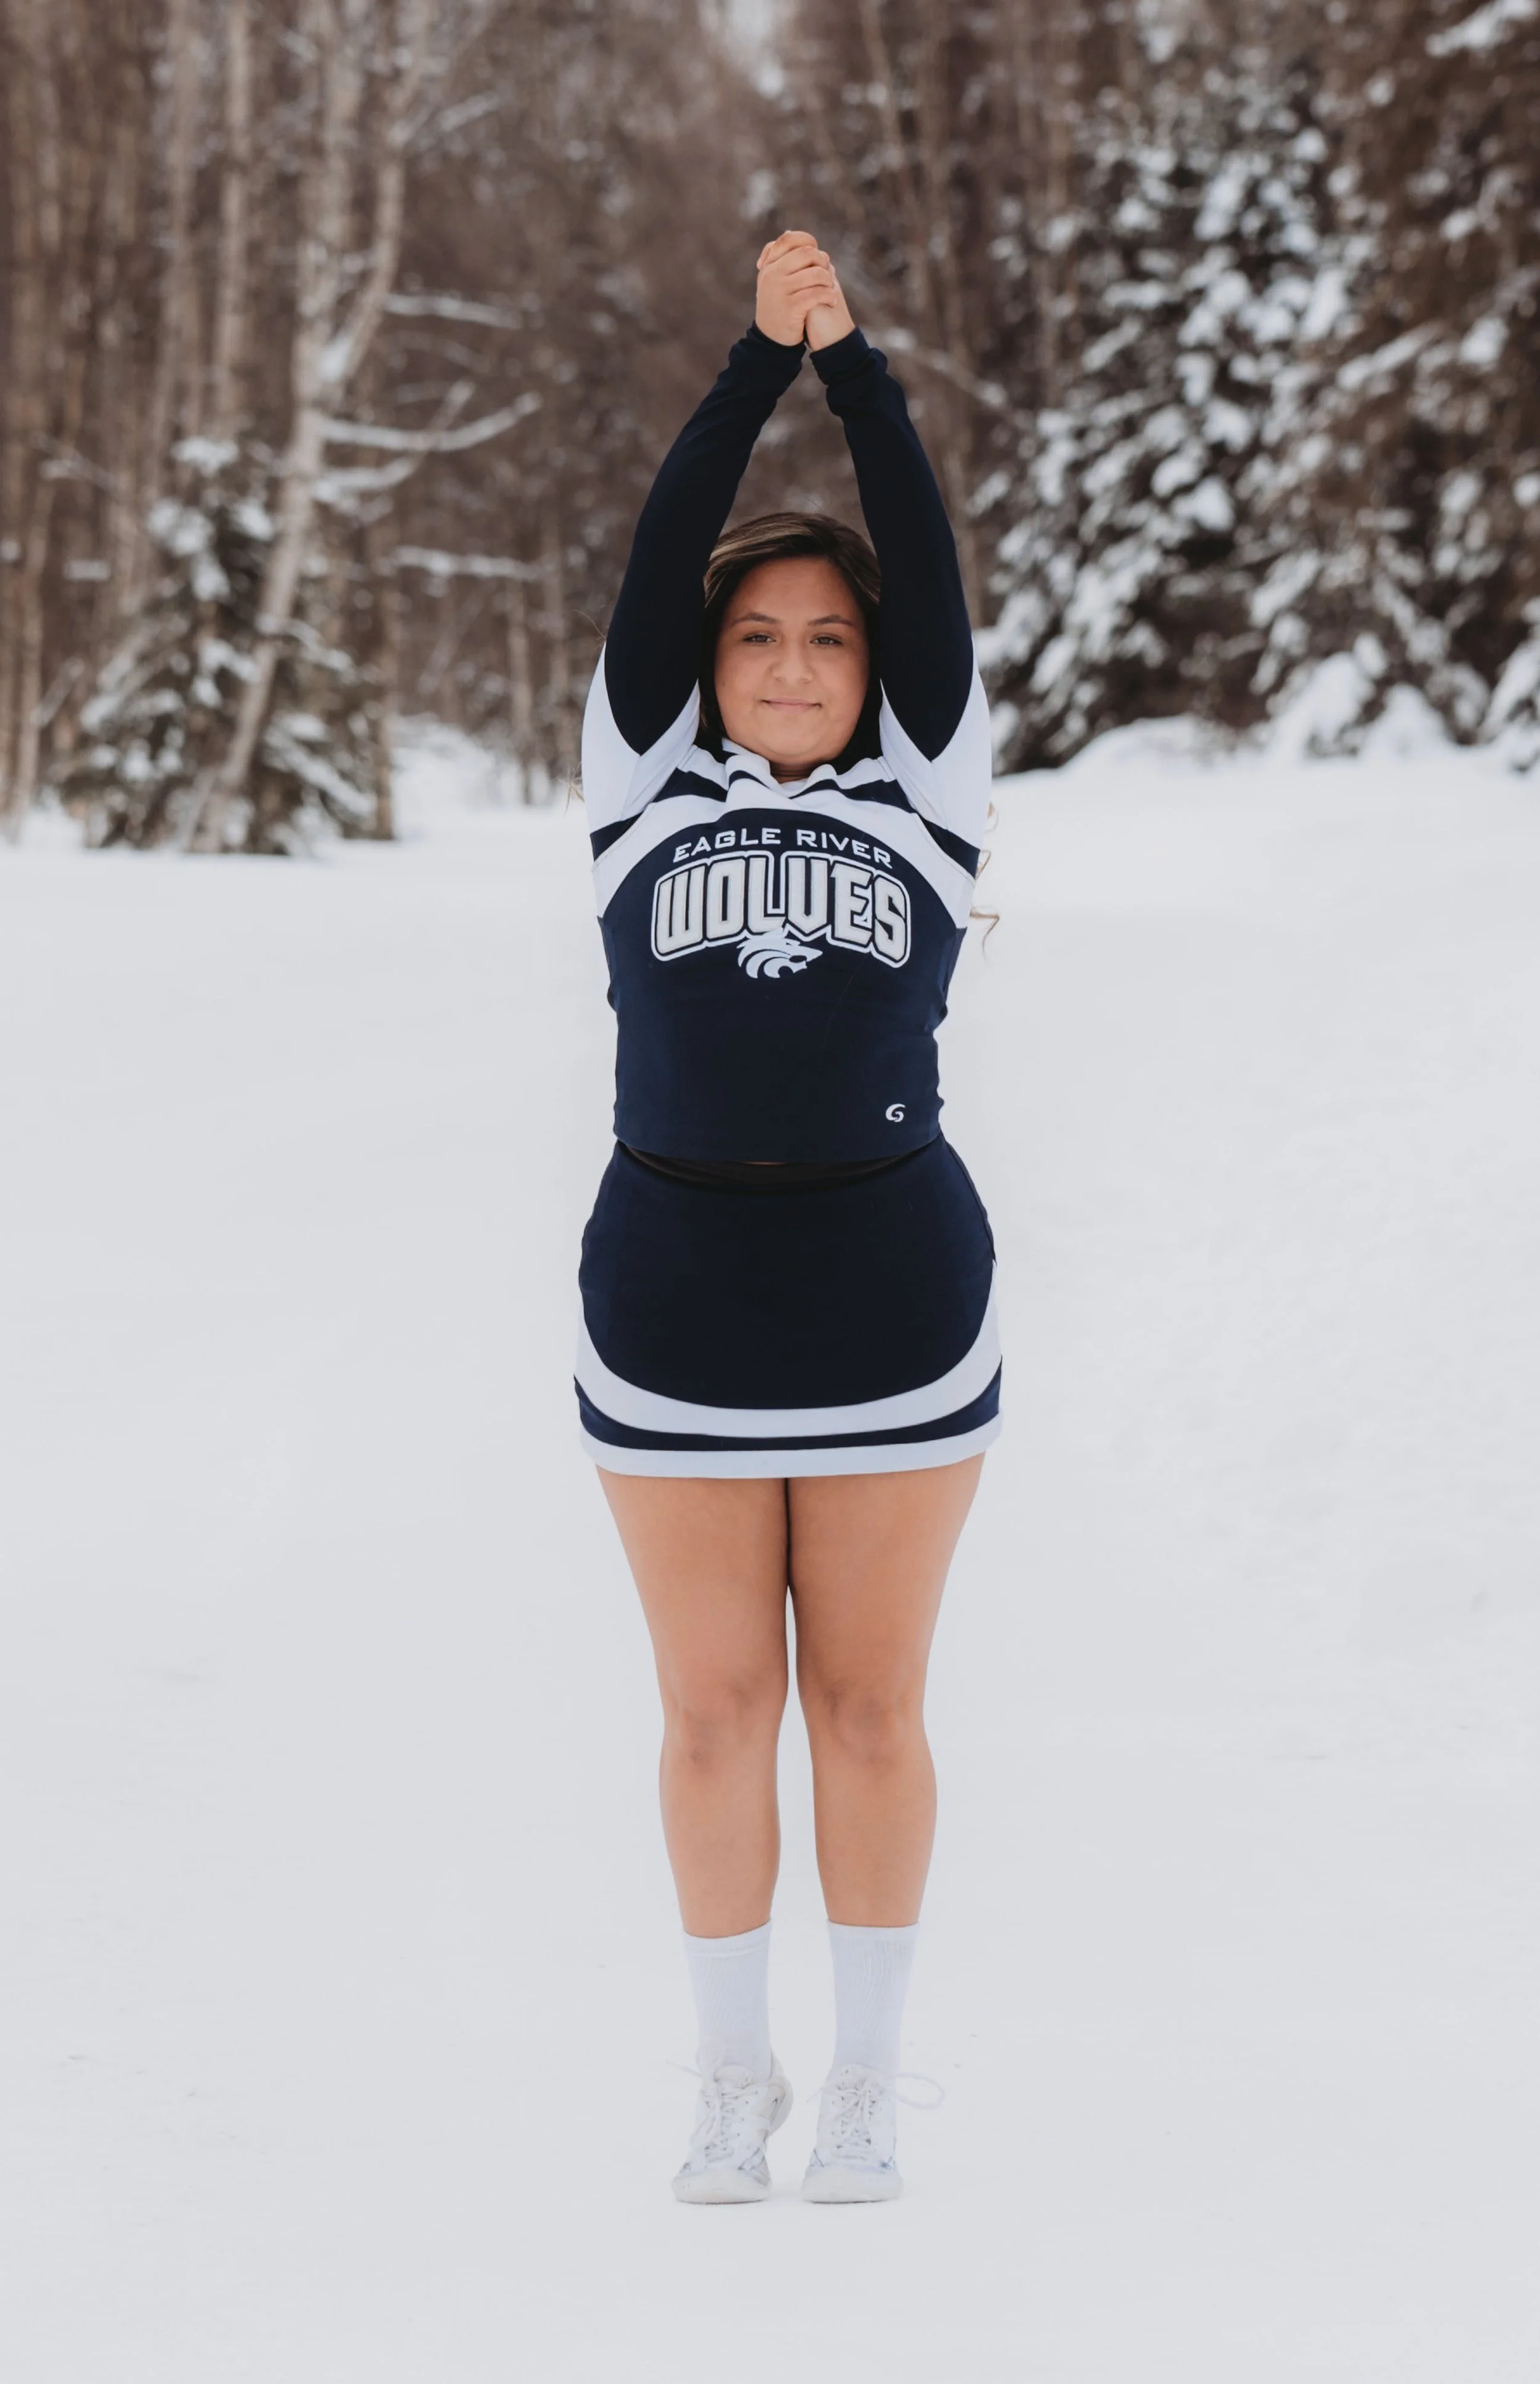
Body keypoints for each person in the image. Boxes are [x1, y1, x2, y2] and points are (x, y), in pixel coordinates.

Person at [576, 231, 998, 2203]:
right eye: (759, 637)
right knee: (713, 1704)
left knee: (866, 1702)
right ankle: (733, 2072)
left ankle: (867, 2081)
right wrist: (759, 366)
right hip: (668, 1307)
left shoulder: (925, 799)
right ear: (708, 668)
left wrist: (868, 378)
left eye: (832, 637)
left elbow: (918, 565)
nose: (795, 664)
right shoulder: (639, 796)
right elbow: (665, 562)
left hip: (891, 1304)